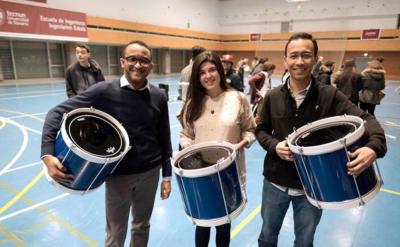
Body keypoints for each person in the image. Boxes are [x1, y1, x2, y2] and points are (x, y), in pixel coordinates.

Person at [256, 32, 387, 247]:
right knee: (267, 237)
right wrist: (274, 145)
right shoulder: (272, 96)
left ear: (316, 59)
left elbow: (365, 119)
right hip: (274, 183)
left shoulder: (329, 95)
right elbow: (261, 130)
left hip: (313, 187)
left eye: (306, 55)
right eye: (294, 56)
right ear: (285, 60)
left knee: (305, 242)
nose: (300, 61)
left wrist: (373, 147)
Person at [41, 40, 173, 247]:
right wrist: (47, 154)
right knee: (115, 231)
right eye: (132, 59)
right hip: (118, 176)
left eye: (144, 60)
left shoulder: (158, 96)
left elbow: (164, 136)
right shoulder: (103, 91)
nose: (138, 65)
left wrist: (167, 175)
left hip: (150, 173)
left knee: (142, 225)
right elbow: (56, 113)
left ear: (151, 66)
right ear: (122, 62)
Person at [179, 51, 256, 247]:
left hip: (228, 172)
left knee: (223, 225)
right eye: (202, 72)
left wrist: (240, 145)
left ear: (220, 71)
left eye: (212, 69)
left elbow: (250, 130)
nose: (208, 76)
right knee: (203, 224)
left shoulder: (238, 98)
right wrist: (191, 149)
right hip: (201, 173)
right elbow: (185, 135)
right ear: (197, 77)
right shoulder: (192, 103)